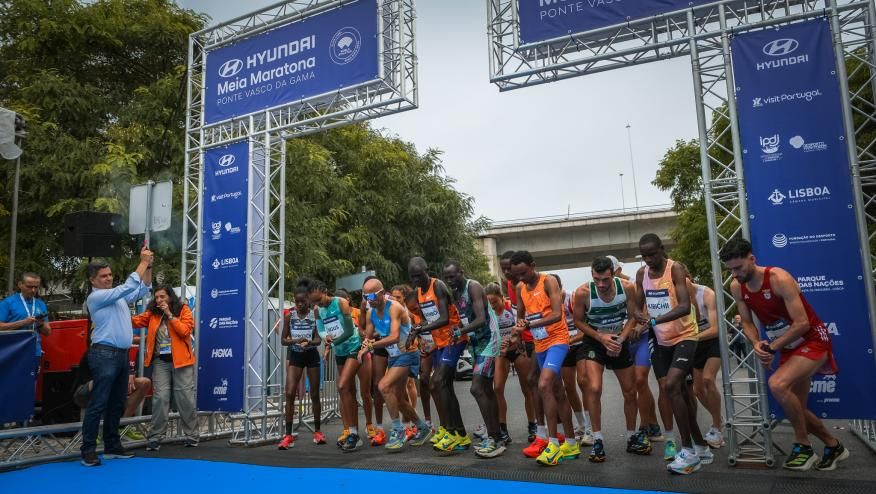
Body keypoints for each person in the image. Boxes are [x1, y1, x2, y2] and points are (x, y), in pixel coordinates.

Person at [720, 237, 847, 471]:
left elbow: (801, 323)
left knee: (777, 385)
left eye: (738, 268)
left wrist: (772, 347)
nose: (734, 274)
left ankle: (803, 445)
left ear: (752, 259)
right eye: (730, 270)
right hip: (787, 345)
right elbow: (746, 322)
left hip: (813, 340)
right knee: (796, 406)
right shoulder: (737, 286)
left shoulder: (779, 279)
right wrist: (757, 342)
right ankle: (833, 444)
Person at [635, 234, 711, 474]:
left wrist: (654, 319)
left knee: (671, 386)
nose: (648, 260)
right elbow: (636, 303)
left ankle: (687, 452)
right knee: (679, 394)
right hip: (661, 340)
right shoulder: (642, 274)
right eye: (644, 256)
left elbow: (684, 306)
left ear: (662, 249)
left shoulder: (675, 269)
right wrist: (637, 315)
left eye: (652, 254)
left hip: (685, 336)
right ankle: (701, 447)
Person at [80, 247, 152, 467]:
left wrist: (148, 266)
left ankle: (112, 447)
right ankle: (88, 450)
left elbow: (143, 288)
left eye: (110, 275)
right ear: (93, 280)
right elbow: (130, 285)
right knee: (99, 403)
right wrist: (141, 262)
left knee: (116, 403)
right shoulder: (97, 297)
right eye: (103, 276)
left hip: (120, 355)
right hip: (104, 354)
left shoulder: (116, 297)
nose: (109, 278)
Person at [573, 256, 649, 463]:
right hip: (594, 341)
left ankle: (632, 436)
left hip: (618, 338)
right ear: (592, 275)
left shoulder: (627, 287)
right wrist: (601, 338)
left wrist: (620, 339)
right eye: (596, 279)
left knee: (630, 390)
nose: (601, 284)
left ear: (613, 274)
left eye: (605, 279)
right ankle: (597, 439)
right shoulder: (582, 293)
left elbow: (633, 315)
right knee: (594, 388)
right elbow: (578, 321)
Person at [511, 251, 579, 466]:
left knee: (544, 384)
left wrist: (529, 326)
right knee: (558, 391)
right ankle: (571, 441)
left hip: (558, 340)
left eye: (524, 272)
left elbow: (557, 314)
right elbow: (520, 317)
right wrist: (516, 334)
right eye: (517, 275)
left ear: (533, 265)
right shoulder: (520, 287)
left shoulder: (548, 281)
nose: (521, 278)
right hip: (540, 343)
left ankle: (553, 445)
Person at [359, 278, 432, 451]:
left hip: (407, 353)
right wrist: (362, 347)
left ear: (382, 293)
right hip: (394, 355)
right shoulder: (370, 313)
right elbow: (367, 337)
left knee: (383, 386)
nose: (369, 299)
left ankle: (398, 430)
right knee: (398, 399)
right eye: (365, 296)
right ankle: (422, 428)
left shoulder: (395, 308)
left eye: (371, 295)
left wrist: (370, 346)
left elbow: (393, 337)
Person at [407, 257, 472, 454]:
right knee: (443, 386)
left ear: (427, 270)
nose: (416, 280)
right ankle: (459, 433)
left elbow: (444, 319)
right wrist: (419, 329)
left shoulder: (439, 286)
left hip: (455, 339)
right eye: (413, 277)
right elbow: (429, 317)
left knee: (438, 381)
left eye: (419, 275)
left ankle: (451, 431)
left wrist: (420, 329)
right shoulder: (418, 292)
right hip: (441, 343)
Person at [444, 260, 505, 458]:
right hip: (476, 342)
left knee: (476, 388)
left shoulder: (474, 287)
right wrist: (460, 334)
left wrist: (460, 331)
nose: (450, 280)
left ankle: (494, 439)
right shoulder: (455, 294)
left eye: (453, 276)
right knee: (486, 389)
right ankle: (498, 436)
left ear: (461, 272)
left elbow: (480, 319)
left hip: (489, 340)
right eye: (447, 278)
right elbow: (465, 319)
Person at [129, 285, 197, 450]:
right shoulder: (152, 313)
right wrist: (119, 311)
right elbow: (134, 320)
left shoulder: (183, 309)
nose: (159, 300)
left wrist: (170, 315)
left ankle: (192, 435)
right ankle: (155, 437)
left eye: (162, 297)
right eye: (157, 297)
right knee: (160, 398)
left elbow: (185, 331)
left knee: (184, 398)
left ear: (170, 297)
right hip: (160, 361)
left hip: (181, 362)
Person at [306, 279, 363, 452]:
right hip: (340, 352)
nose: (317, 305)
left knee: (342, 385)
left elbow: (347, 330)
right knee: (348, 390)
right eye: (313, 302)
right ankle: (352, 432)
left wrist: (334, 341)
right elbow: (321, 329)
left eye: (318, 300)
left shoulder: (341, 303)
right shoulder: (317, 310)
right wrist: (326, 338)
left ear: (324, 291)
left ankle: (356, 433)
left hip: (353, 346)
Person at [486, 282, 535, 447]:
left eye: (494, 302)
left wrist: (518, 342)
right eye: (489, 303)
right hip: (502, 353)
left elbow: (523, 327)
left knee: (527, 388)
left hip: (517, 350)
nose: (492, 306)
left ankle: (532, 425)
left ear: (502, 298)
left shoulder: (511, 309)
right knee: (497, 388)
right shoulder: (488, 314)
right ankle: (503, 428)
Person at [681, 266, 725, 449]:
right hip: (695, 344)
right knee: (698, 390)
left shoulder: (707, 294)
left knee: (708, 379)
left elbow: (715, 329)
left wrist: (691, 336)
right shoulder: (677, 297)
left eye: (683, 281)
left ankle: (716, 426)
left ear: (689, 277)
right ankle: (719, 417)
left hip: (712, 340)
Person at [277, 284, 324, 449]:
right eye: (297, 302)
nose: (300, 305)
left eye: (303, 301)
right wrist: (296, 341)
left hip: (311, 355)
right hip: (296, 355)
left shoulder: (315, 314)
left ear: (308, 301)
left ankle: (318, 431)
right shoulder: (289, 316)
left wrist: (308, 342)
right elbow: (283, 340)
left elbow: (319, 339)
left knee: (314, 394)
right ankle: (288, 435)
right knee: (289, 393)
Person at [499, 251, 538, 442]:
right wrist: (516, 336)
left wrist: (521, 334)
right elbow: (518, 314)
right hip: (520, 339)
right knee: (499, 387)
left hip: (535, 339)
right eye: (504, 269)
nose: (507, 272)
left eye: (510, 269)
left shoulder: (526, 284)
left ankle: (537, 426)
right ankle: (503, 429)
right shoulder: (509, 285)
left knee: (531, 386)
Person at [552, 274, 594, 447]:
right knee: (568, 387)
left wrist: (569, 340)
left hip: (581, 342)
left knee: (583, 381)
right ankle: (582, 425)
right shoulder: (548, 302)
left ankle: (591, 429)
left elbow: (587, 328)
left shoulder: (574, 297)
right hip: (564, 345)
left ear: (561, 286)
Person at [335, 288, 377, 446]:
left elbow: (366, 330)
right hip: (344, 356)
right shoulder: (333, 316)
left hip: (361, 354)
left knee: (365, 392)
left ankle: (369, 425)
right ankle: (348, 430)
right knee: (346, 390)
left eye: (342, 300)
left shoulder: (358, 312)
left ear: (348, 300)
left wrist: (363, 335)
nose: (339, 304)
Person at [0, 272, 51, 361]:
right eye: (29, 286)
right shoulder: (7, 303)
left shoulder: (40, 304)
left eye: (36, 287)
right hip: (11, 352)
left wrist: (40, 324)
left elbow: (47, 333)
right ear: (20, 284)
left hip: (34, 352)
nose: (33, 290)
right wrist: (23, 322)